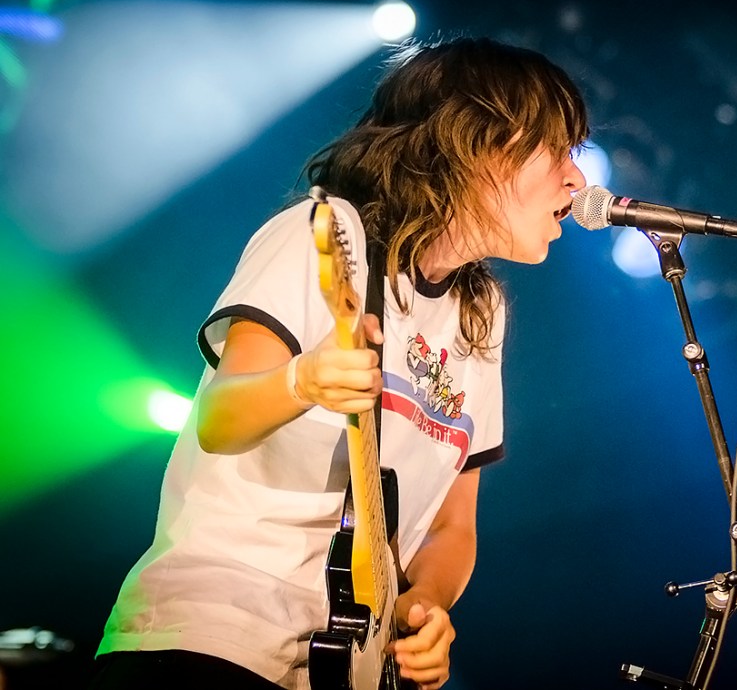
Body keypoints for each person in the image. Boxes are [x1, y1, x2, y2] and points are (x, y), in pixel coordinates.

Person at [87, 35, 589, 690]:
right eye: (559, 151)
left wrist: (424, 606)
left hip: (345, 661)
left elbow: (451, 524)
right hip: (214, 631)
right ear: (480, 146)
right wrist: (304, 379)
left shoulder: (480, 311)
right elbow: (220, 419)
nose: (577, 181)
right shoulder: (326, 234)